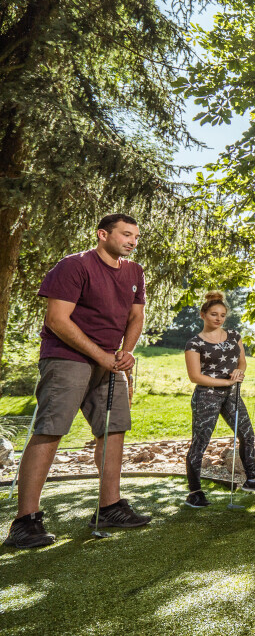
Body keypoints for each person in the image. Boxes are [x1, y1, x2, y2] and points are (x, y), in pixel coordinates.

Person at [4, 214, 149, 549]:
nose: (132, 242)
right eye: (126, 235)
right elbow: (56, 319)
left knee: (113, 429)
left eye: (136, 237)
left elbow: (136, 315)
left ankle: (109, 507)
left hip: (109, 361)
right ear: (103, 234)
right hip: (67, 357)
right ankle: (25, 521)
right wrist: (102, 355)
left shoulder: (134, 271)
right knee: (51, 430)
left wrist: (126, 351)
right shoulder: (74, 266)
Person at [182, 291, 255, 508]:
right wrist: (226, 382)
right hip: (207, 397)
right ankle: (195, 493)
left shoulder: (234, 336)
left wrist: (238, 374)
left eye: (222, 315)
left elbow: (242, 362)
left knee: (247, 435)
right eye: (214, 314)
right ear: (202, 315)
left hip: (232, 395)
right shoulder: (194, 343)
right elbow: (195, 376)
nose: (218, 318)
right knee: (200, 442)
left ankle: (252, 480)